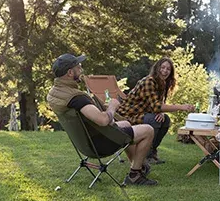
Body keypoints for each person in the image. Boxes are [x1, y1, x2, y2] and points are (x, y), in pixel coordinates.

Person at [46, 53, 157, 186]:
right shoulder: (77, 98)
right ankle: (135, 176)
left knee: (127, 123)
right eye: (79, 67)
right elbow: (103, 121)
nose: (81, 70)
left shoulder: (55, 93)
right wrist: (112, 107)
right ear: (70, 72)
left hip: (84, 142)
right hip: (100, 143)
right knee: (148, 130)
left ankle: (137, 165)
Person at [115, 57, 194, 166]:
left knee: (165, 120)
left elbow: (156, 105)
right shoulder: (149, 81)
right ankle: (145, 155)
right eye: (163, 67)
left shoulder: (162, 83)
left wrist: (160, 113)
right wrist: (181, 107)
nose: (165, 71)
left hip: (142, 113)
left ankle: (151, 153)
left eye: (168, 69)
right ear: (157, 68)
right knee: (154, 120)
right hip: (127, 116)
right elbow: (156, 106)